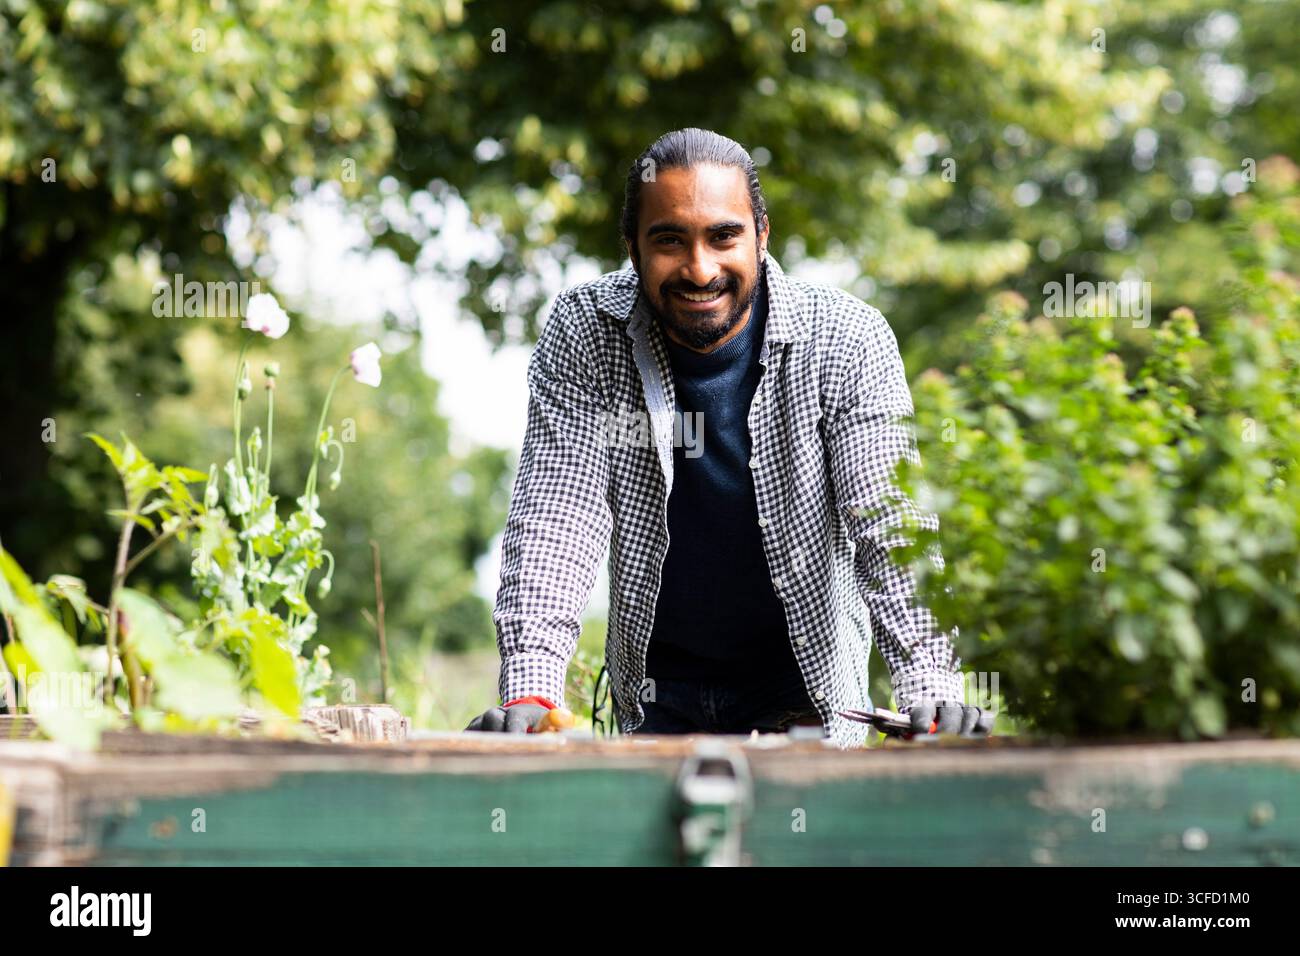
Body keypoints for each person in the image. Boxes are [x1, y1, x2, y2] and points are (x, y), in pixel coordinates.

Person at [467, 128, 993, 746]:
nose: (699, 268)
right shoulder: (586, 330)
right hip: (657, 692)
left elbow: (889, 522)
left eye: (724, 236)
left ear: (761, 236)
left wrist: (930, 685)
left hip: (808, 692)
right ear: (632, 250)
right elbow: (561, 512)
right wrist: (532, 686)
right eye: (669, 240)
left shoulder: (848, 340)